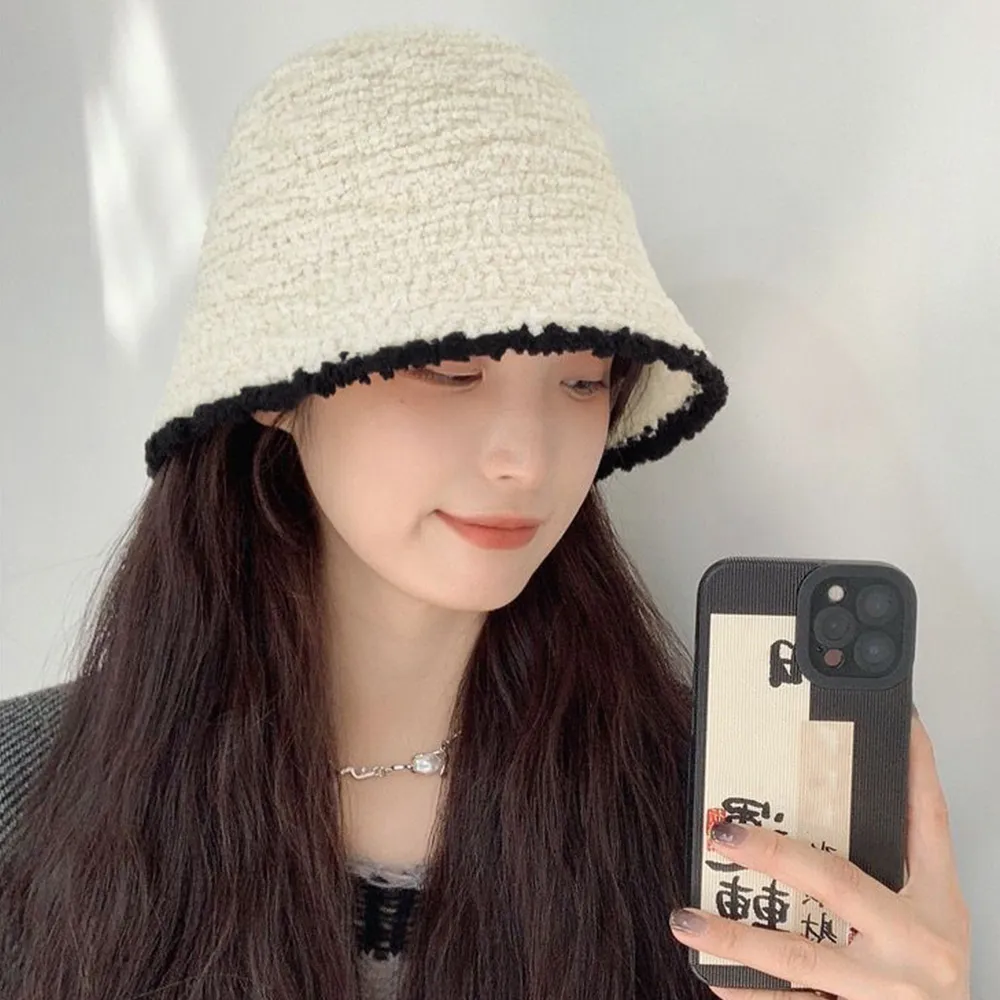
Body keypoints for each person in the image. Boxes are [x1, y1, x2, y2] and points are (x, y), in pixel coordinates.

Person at [0, 24, 971, 1000]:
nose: (528, 458)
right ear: (278, 387)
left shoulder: (717, 832)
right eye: (451, 370)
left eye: (583, 381)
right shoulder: (29, 793)